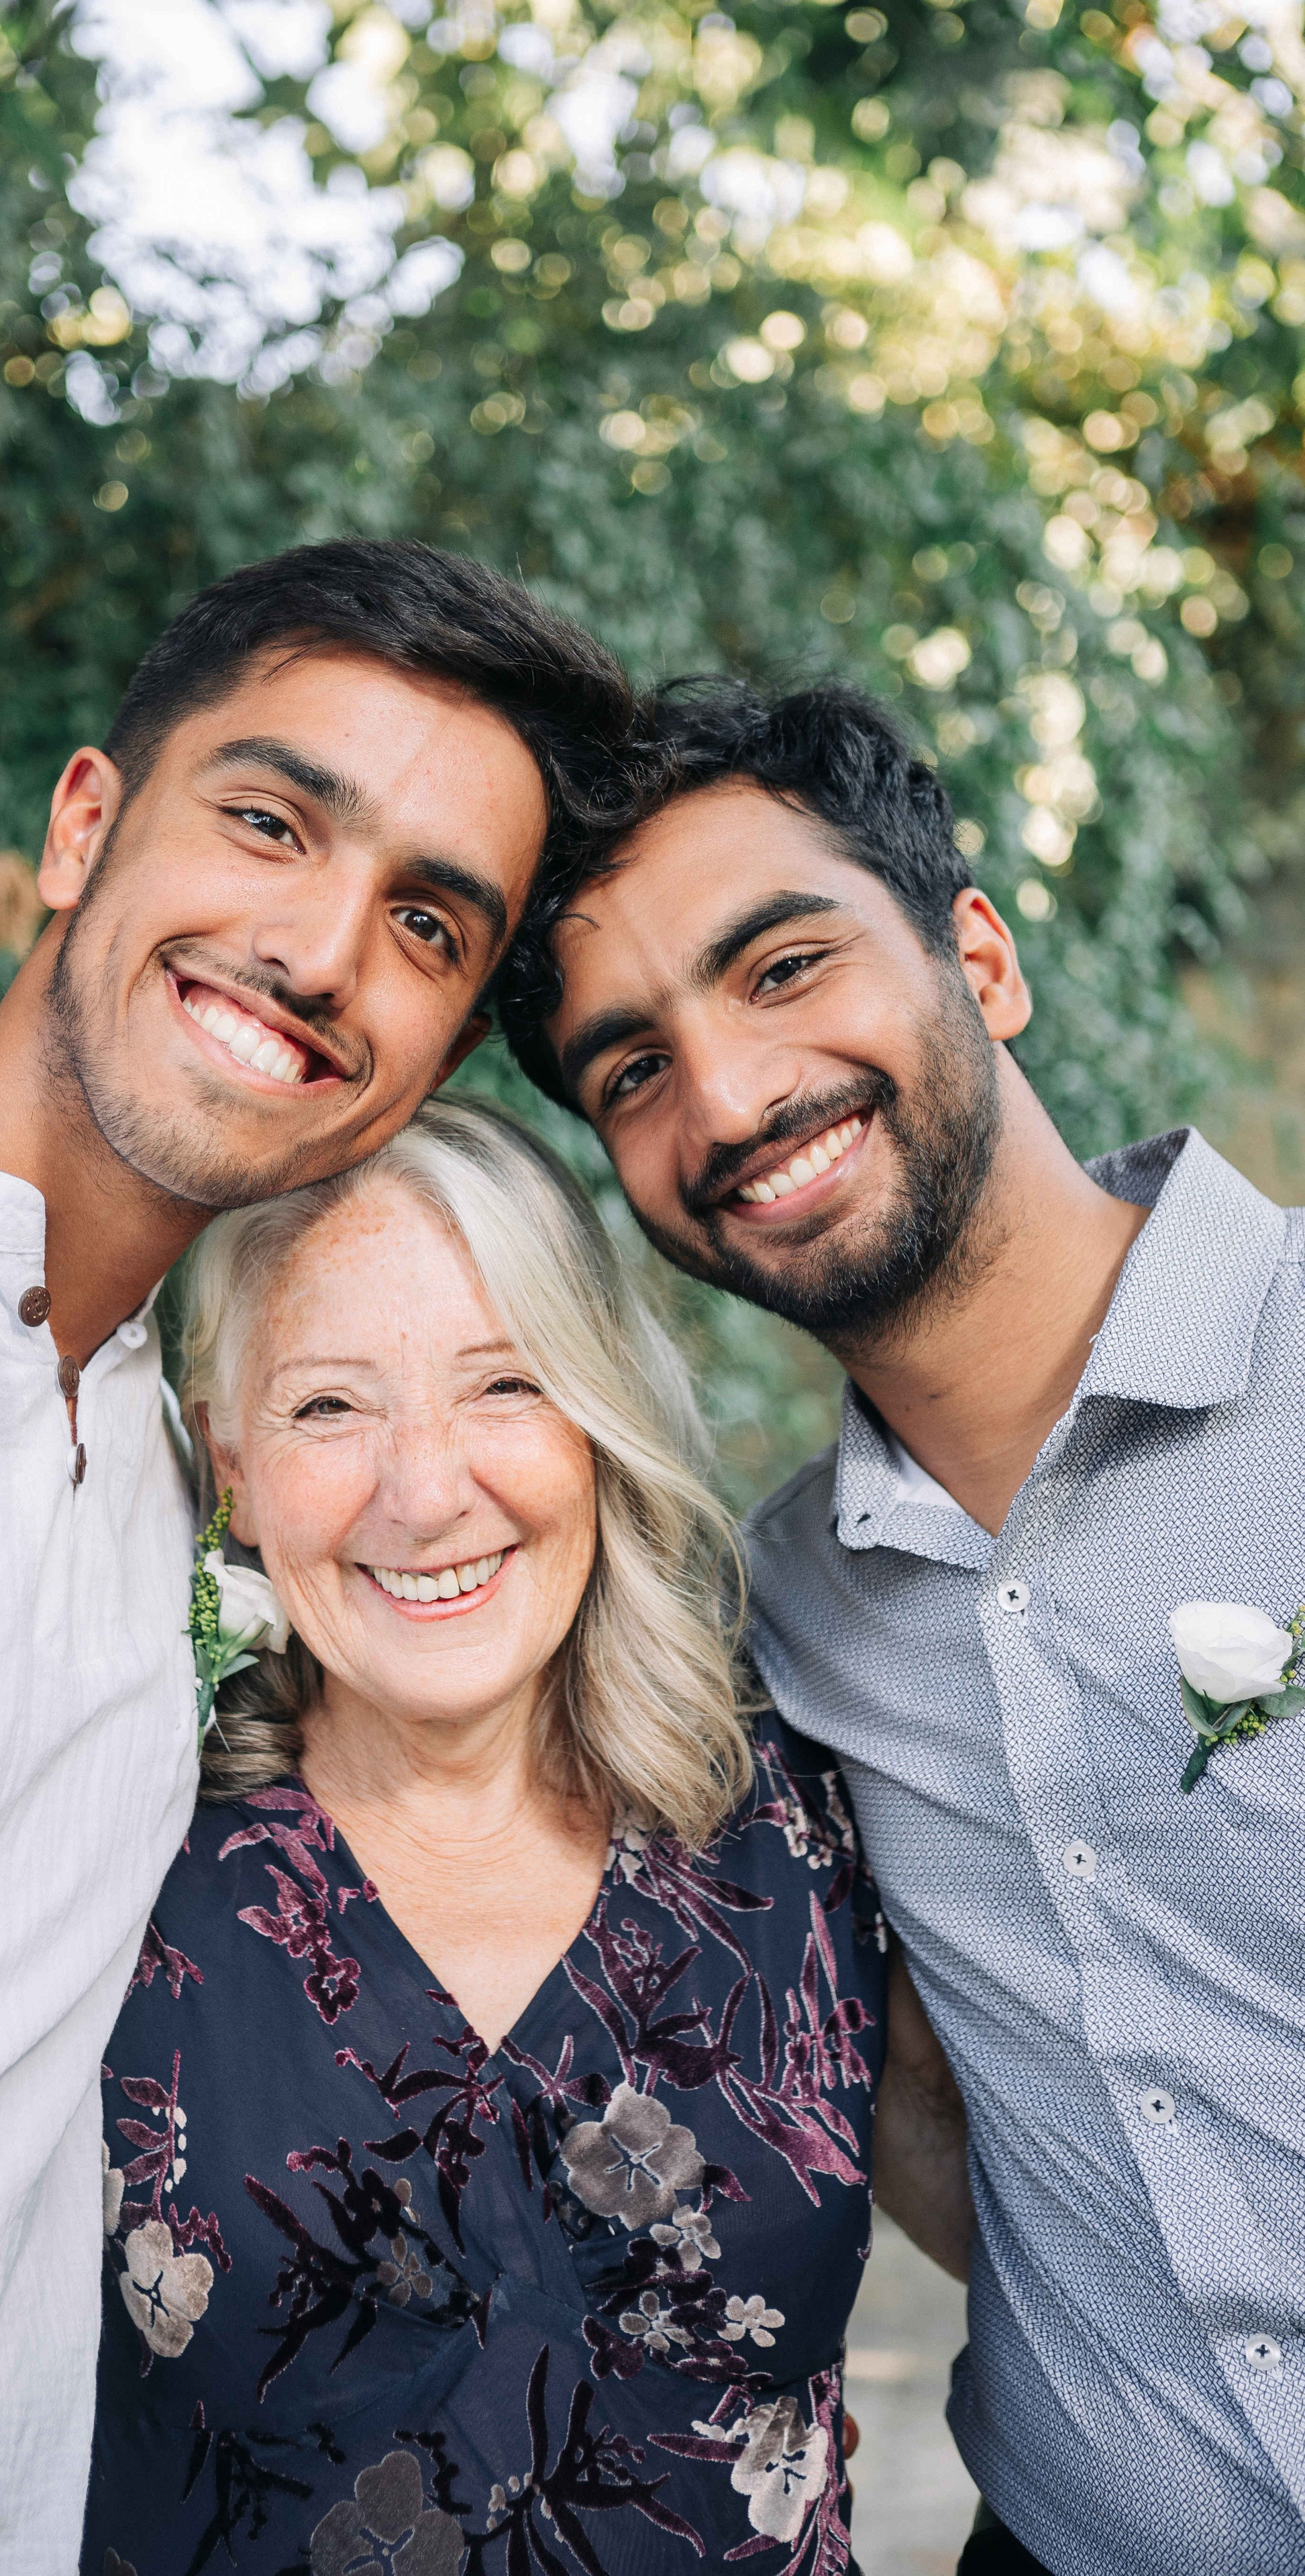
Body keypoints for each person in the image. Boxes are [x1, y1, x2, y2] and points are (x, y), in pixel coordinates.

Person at [0, 542, 633, 2574]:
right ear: (83, 826)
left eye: (426, 925)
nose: (321, 951)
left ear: (434, 1056)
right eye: (269, 823)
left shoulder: (204, 1474)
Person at [499, 672, 1305, 2576]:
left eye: (783, 968)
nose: (728, 1099)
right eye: (632, 1071)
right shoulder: (776, 1616)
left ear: (981, 960)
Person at [83, 1097, 888, 2575]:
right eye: (330, 1407)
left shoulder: (801, 1815)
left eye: (504, 1385)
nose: (427, 1490)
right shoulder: (111, 1861)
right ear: (230, 1462)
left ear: (594, 1417)